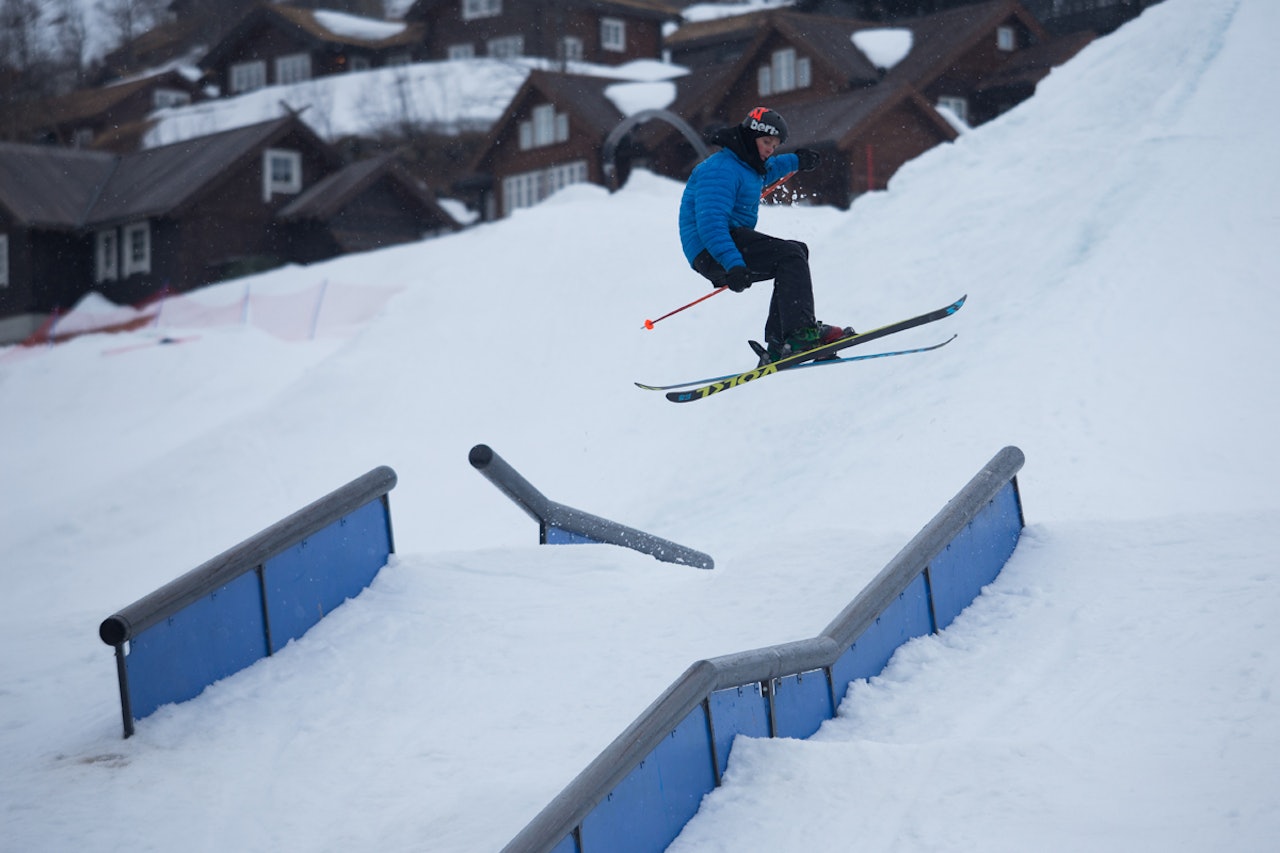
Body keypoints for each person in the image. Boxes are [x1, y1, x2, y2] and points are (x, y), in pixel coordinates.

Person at [679, 106, 854, 366]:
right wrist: (733, 264)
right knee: (790, 256)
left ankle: (780, 342)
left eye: (775, 144)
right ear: (751, 139)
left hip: (729, 241)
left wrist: (797, 161)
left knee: (796, 251)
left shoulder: (747, 166)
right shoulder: (719, 170)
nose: (771, 149)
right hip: (712, 248)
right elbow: (711, 224)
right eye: (766, 142)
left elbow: (768, 169)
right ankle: (798, 336)